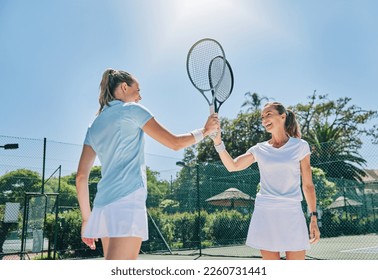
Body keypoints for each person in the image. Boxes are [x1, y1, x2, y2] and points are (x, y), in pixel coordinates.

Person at [76, 68, 218, 260]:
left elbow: (81, 177)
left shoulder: (94, 125)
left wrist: (87, 219)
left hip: (103, 205)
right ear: (124, 87)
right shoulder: (132, 110)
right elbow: (175, 143)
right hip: (126, 201)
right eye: (138, 90)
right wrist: (205, 131)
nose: (140, 97)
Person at [212, 101, 320, 260]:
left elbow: (308, 185)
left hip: (292, 212)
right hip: (265, 213)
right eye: (262, 117)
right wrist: (218, 142)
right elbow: (233, 166)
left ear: (282, 116)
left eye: (268, 115)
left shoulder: (301, 146)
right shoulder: (259, 149)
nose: (264, 120)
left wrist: (313, 217)